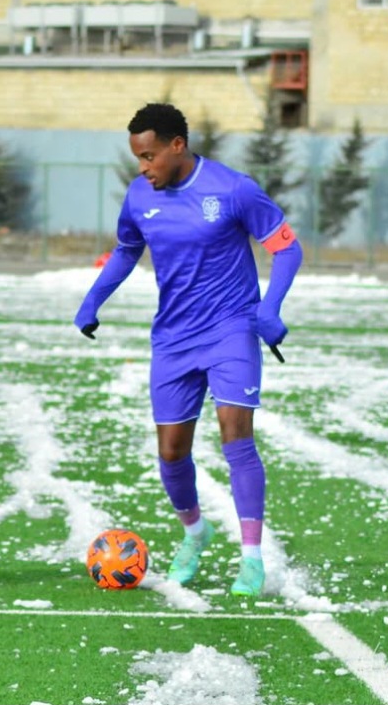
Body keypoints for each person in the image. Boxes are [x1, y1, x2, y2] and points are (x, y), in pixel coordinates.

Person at [73, 103, 303, 597]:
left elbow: (287, 247)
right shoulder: (139, 196)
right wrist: (94, 299)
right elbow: (126, 250)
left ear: (178, 145)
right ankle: (196, 533)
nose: (143, 167)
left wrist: (270, 306)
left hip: (231, 328)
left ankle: (251, 559)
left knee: (235, 433)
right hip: (173, 338)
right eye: (138, 158)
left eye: (150, 156)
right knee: (171, 452)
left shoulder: (233, 188)